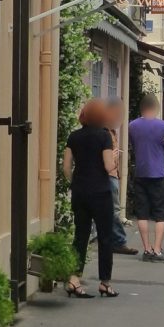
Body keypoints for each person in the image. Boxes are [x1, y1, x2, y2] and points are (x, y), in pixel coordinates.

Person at [62, 99, 119, 298]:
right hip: (101, 192)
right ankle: (105, 282)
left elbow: (66, 167)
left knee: (80, 236)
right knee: (105, 237)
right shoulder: (104, 136)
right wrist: (115, 160)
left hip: (80, 192)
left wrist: (75, 182)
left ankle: (74, 279)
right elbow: (107, 166)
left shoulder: (74, 136)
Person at [128, 94, 164, 262]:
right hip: (158, 174)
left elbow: (132, 145)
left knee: (142, 214)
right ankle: (157, 250)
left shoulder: (132, 126)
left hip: (140, 173)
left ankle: (146, 250)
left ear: (141, 108)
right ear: (156, 107)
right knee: (161, 213)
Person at [103, 98, 139, 255]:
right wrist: (112, 158)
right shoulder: (104, 132)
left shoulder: (111, 131)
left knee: (111, 210)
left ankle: (113, 241)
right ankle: (118, 242)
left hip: (112, 174)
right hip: (108, 174)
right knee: (113, 210)